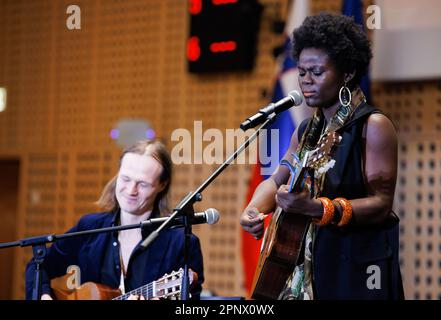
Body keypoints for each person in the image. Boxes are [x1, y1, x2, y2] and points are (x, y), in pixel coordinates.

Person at [240, 13, 404, 300]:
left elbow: (381, 204)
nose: (306, 81)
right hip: (302, 270)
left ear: (347, 73)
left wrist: (318, 208)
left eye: (317, 72)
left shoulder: (373, 126)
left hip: (354, 270)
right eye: (302, 72)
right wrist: (254, 209)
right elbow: (276, 180)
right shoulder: (306, 130)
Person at [25, 140, 204, 300]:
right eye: (125, 179)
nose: (131, 190)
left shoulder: (181, 243)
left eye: (143, 184)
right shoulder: (90, 228)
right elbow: (38, 266)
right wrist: (44, 296)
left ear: (162, 185)